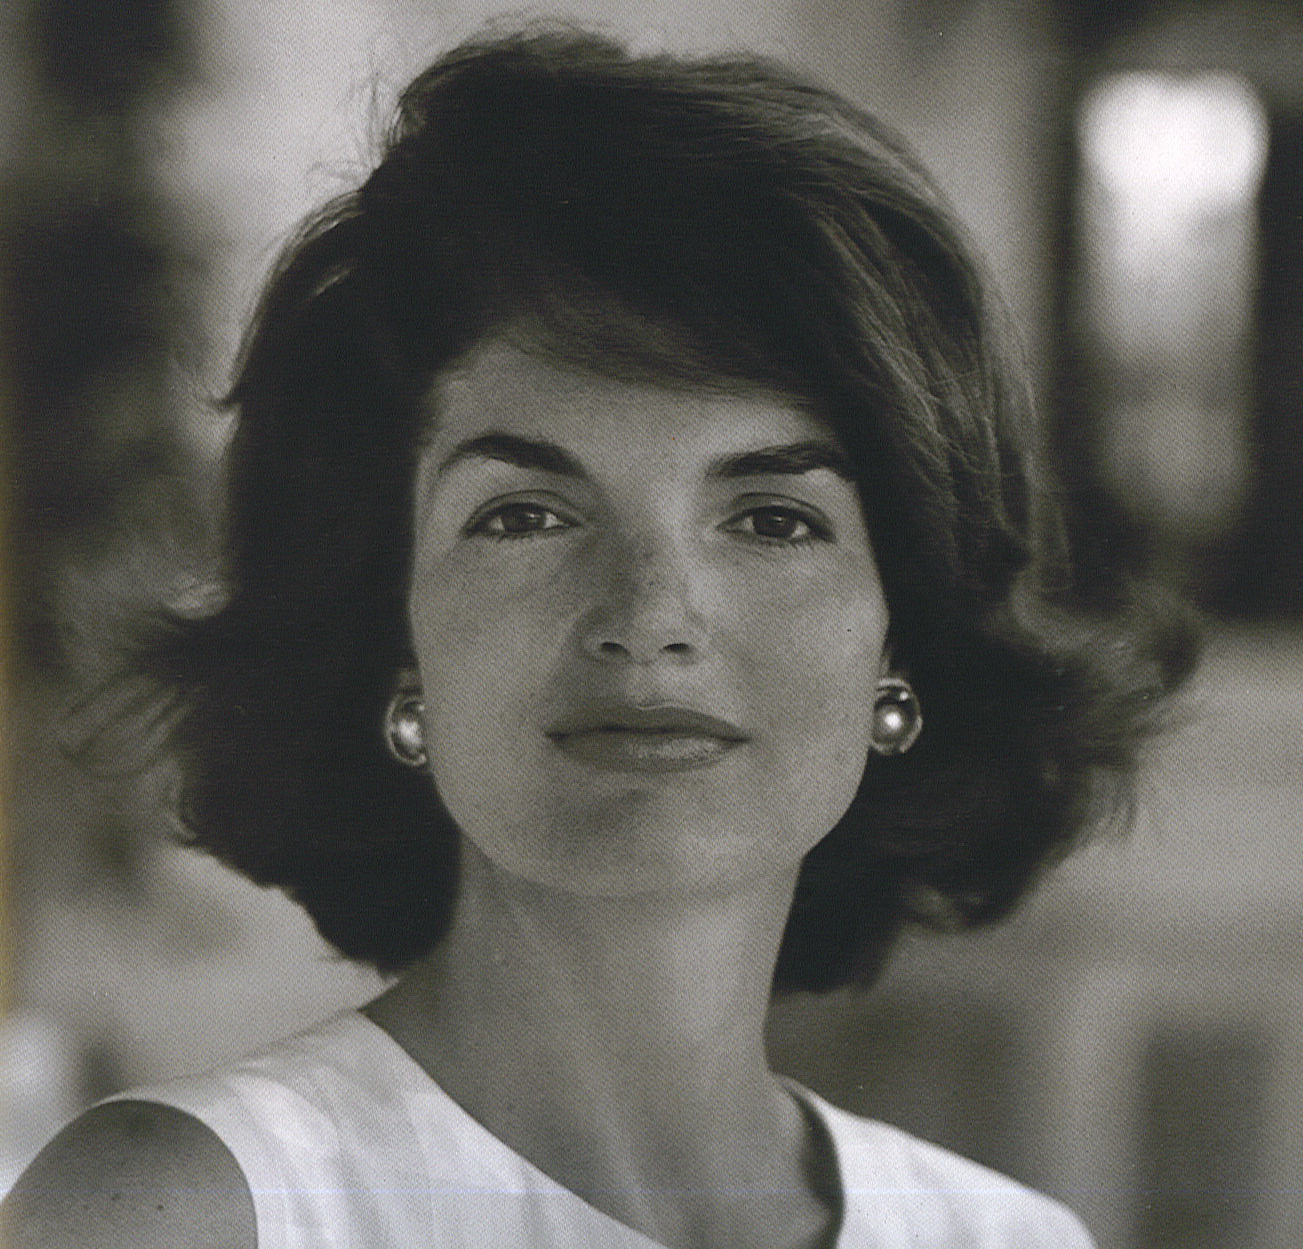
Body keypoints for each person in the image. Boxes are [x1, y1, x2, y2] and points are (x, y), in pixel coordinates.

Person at [5, 27, 1196, 1249]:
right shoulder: (180, 1211)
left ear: (901, 641)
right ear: (392, 627)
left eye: (773, 519)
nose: (650, 617)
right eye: (525, 515)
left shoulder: (1007, 1239)